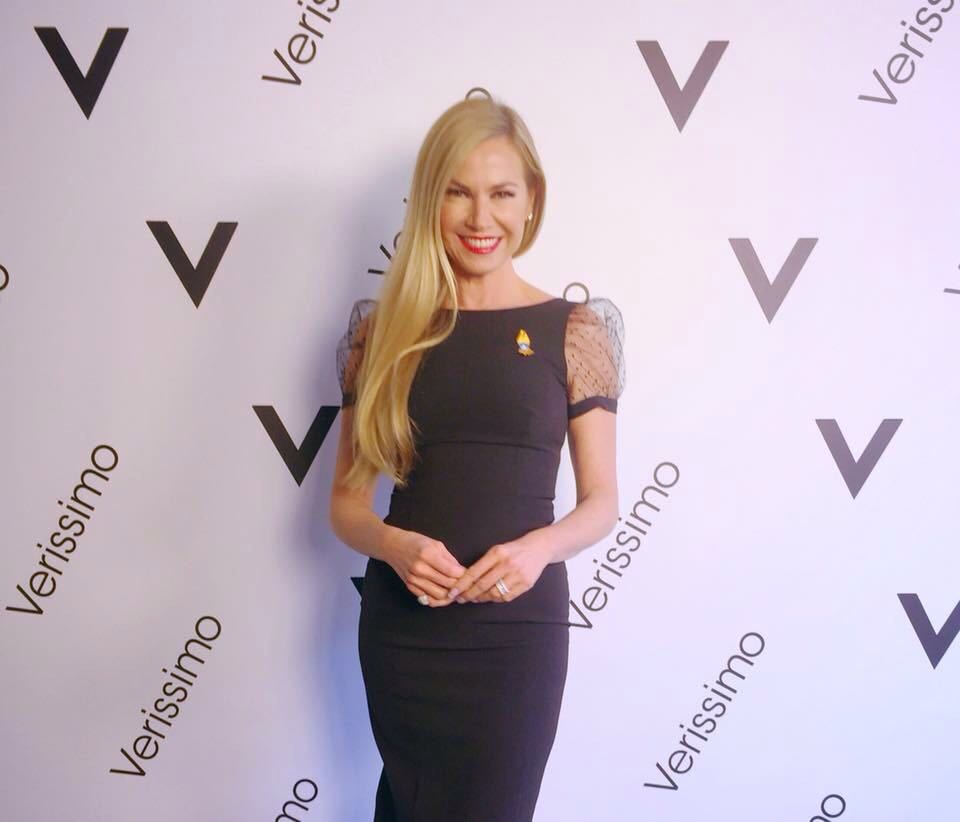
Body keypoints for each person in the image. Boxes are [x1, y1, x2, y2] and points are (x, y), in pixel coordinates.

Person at [328, 95, 625, 822]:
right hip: (404, 629)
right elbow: (346, 505)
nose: (480, 217)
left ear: (531, 201)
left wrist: (537, 550)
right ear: (429, 201)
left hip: (517, 635)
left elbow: (602, 504)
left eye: (501, 193)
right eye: (458, 193)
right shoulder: (383, 333)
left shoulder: (574, 330)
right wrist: (394, 546)